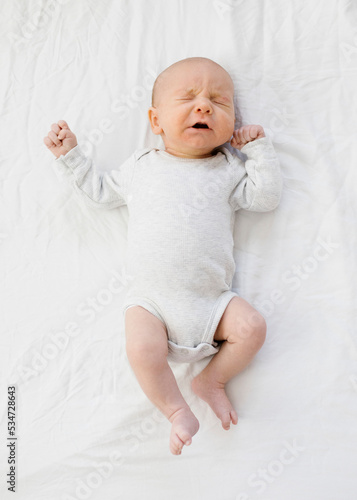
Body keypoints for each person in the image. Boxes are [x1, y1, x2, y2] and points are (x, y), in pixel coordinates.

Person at [44, 57, 283, 456]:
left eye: (219, 102)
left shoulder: (227, 170)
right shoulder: (141, 167)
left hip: (212, 303)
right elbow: (100, 193)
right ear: (156, 121)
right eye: (188, 98)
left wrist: (258, 150)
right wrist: (70, 156)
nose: (204, 106)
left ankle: (211, 381)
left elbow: (265, 198)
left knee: (253, 328)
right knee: (140, 348)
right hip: (152, 304)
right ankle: (175, 410)